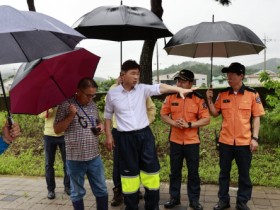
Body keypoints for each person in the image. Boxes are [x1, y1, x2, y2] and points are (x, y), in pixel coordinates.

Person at [104, 60, 194, 210]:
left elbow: (160, 87)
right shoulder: (112, 94)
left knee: (151, 172)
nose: (136, 77)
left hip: (144, 136)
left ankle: (152, 206)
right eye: (133, 73)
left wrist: (178, 89)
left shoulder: (142, 89)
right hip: (124, 138)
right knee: (129, 176)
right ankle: (131, 206)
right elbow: (107, 117)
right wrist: (108, 135)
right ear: (122, 75)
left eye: (138, 74)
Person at [206, 63, 265, 210]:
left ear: (241, 76)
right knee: (223, 173)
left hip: (244, 142)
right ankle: (223, 201)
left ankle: (242, 202)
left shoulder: (252, 94)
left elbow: (256, 117)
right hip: (225, 141)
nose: (229, 77)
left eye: (232, 74)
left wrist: (255, 138)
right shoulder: (223, 94)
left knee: (244, 175)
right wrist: (209, 100)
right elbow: (214, 113)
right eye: (227, 74)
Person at [54, 78, 108, 210]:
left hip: (94, 156)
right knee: (77, 192)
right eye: (88, 95)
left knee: (101, 188)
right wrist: (71, 115)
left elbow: (98, 121)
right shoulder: (66, 105)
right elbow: (57, 129)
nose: (91, 98)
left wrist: (100, 127)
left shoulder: (93, 105)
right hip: (75, 158)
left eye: (93, 95)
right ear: (78, 91)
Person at [160, 69, 210, 210]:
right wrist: (173, 123)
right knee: (174, 171)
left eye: (182, 81)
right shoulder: (171, 98)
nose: (179, 83)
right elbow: (163, 115)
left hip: (192, 142)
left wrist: (190, 124)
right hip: (175, 141)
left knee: (193, 172)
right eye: (178, 81)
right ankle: (174, 198)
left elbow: (206, 119)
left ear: (190, 83)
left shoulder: (198, 99)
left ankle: (194, 200)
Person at [109, 76, 156, 207]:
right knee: (119, 164)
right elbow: (108, 113)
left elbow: (151, 109)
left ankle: (135, 191)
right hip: (119, 133)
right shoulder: (113, 90)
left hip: (139, 133)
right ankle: (118, 192)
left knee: (138, 162)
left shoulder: (141, 90)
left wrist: (144, 123)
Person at [39, 107, 70, 199]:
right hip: (49, 135)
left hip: (64, 134)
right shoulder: (46, 102)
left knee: (67, 163)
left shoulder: (65, 100)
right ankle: (51, 190)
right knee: (49, 164)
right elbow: (42, 115)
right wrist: (50, 108)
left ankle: (68, 186)